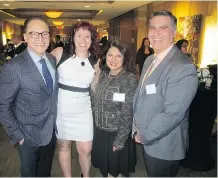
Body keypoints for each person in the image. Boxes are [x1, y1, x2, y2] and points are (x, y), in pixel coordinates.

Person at [132, 10, 198, 177]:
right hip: (148, 138)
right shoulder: (150, 59)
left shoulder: (182, 67)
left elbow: (173, 114)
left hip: (164, 146)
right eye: (153, 28)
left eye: (163, 28)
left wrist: (144, 135)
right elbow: (142, 96)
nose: (156, 33)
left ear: (174, 33)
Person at [0, 16, 58, 177]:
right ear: (25, 37)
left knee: (45, 172)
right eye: (34, 34)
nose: (40, 38)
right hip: (27, 136)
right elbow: (3, 105)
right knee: (29, 173)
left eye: (44, 33)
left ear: (49, 36)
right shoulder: (13, 67)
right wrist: (17, 135)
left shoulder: (52, 60)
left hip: (50, 132)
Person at [51, 21, 99, 177]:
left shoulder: (95, 60)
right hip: (62, 111)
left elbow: (95, 88)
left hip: (83, 112)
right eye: (79, 35)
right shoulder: (60, 53)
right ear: (72, 37)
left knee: (86, 149)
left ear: (92, 39)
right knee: (64, 147)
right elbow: (43, 75)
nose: (83, 40)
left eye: (87, 36)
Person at [91, 40, 137, 177]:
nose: (113, 59)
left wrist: (119, 141)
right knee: (104, 170)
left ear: (125, 58)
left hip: (116, 133)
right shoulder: (104, 75)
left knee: (115, 172)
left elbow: (127, 113)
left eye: (118, 56)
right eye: (110, 55)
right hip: (100, 131)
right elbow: (95, 100)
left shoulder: (128, 79)